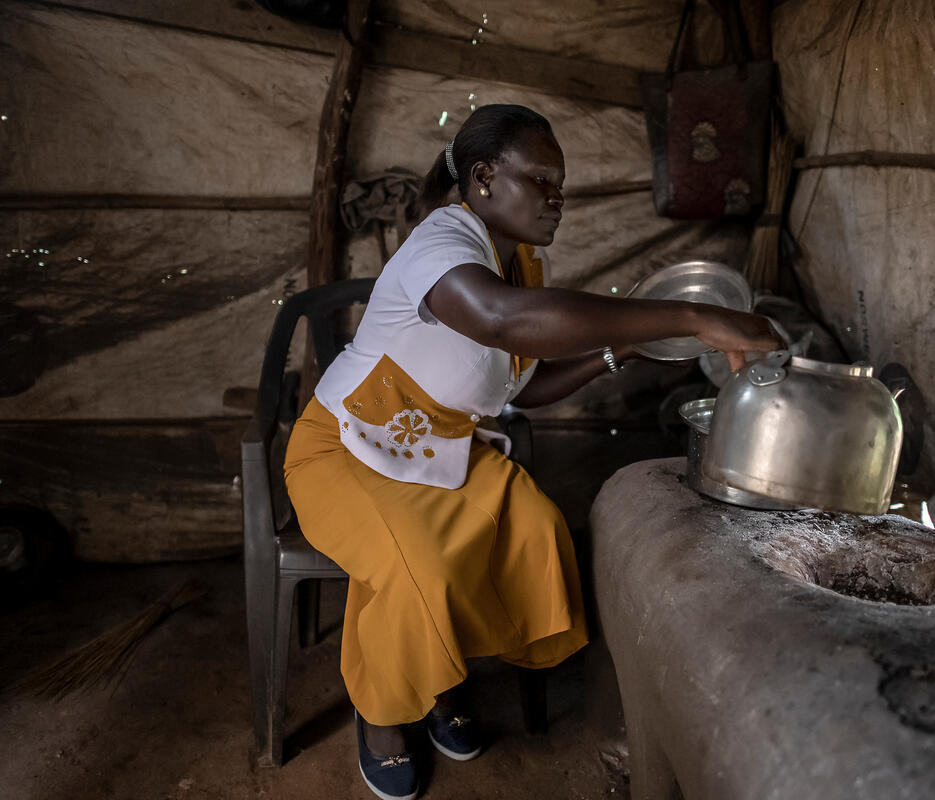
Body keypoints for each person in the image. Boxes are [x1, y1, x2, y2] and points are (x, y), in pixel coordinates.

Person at [283, 103, 780, 800]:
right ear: (483, 178)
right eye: (542, 179)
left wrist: (624, 349)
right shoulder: (442, 243)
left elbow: (526, 384)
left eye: (563, 185)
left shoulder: (520, 264)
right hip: (346, 449)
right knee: (417, 566)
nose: (558, 198)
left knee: (534, 529)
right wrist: (697, 314)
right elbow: (500, 321)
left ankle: (439, 676)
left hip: (440, 450)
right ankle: (384, 716)